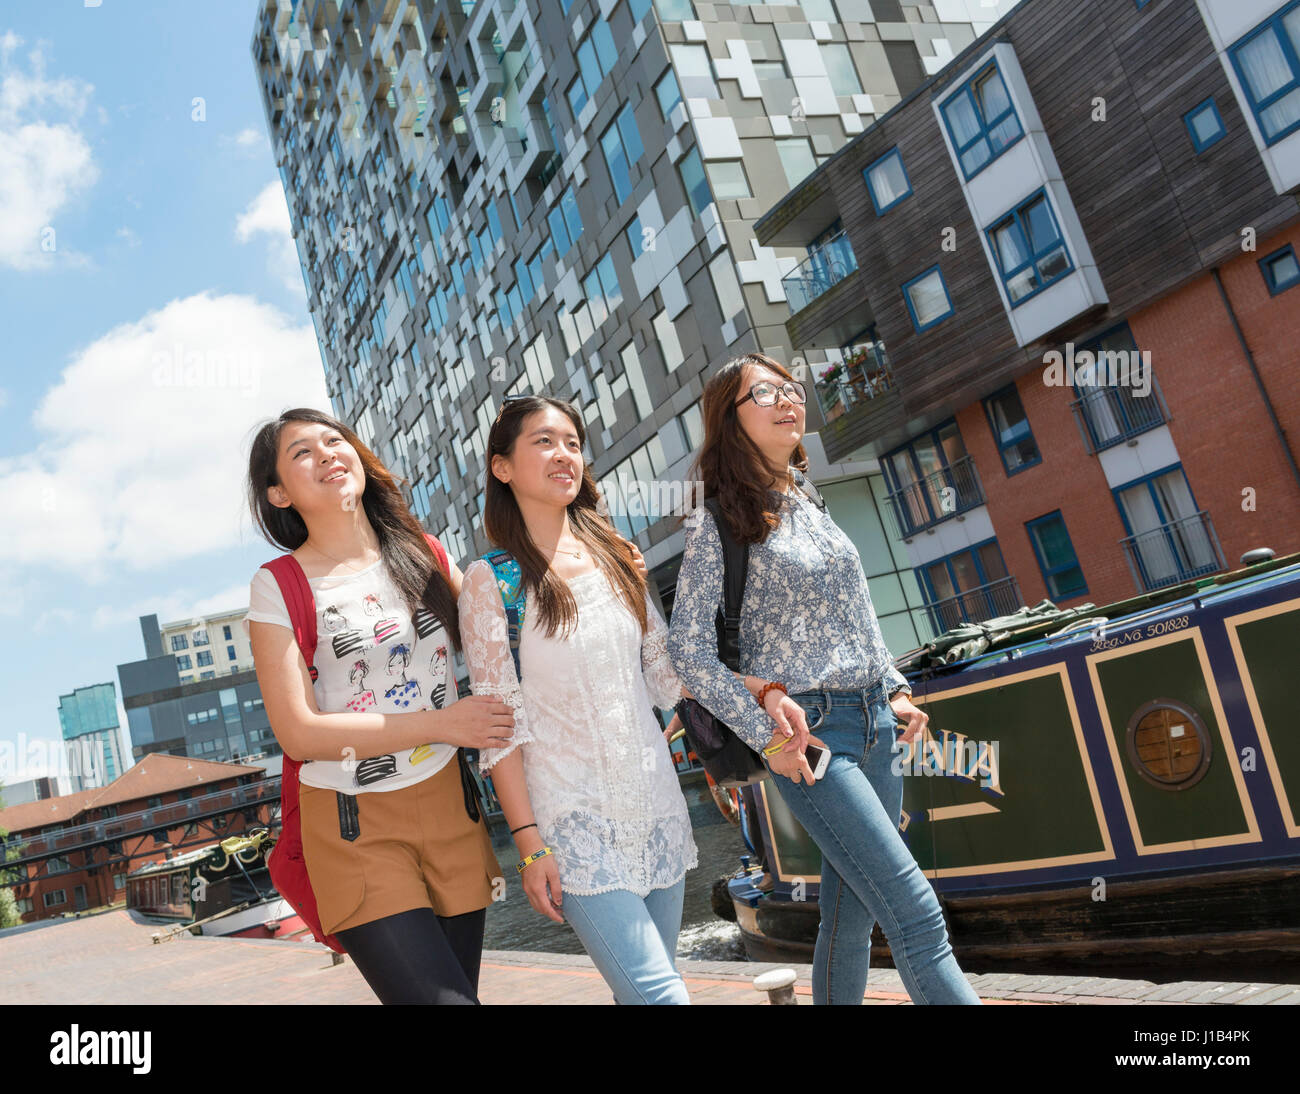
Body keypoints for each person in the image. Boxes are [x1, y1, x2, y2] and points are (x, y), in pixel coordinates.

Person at [666, 354, 981, 1006]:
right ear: (730, 420)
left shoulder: (809, 498)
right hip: (809, 735)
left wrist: (894, 688)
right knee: (915, 912)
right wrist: (768, 735)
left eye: (791, 389)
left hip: (874, 723)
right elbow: (688, 654)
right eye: (765, 393)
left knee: (849, 914)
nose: (788, 400)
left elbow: (854, 612)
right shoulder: (713, 522)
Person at [244, 407, 515, 1005]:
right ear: (279, 493)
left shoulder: (426, 554)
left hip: (450, 803)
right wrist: (444, 723)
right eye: (302, 452)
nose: (326, 454)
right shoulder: (279, 584)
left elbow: (501, 638)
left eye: (334, 440)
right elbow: (299, 732)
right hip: (353, 824)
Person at [457, 395, 696, 1005]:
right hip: (574, 825)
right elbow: (499, 730)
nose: (564, 454)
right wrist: (529, 845)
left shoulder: (618, 556)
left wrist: (758, 690)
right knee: (661, 996)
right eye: (543, 441)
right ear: (502, 467)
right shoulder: (492, 581)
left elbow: (666, 680)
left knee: (643, 993)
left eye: (572, 442)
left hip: (657, 808)